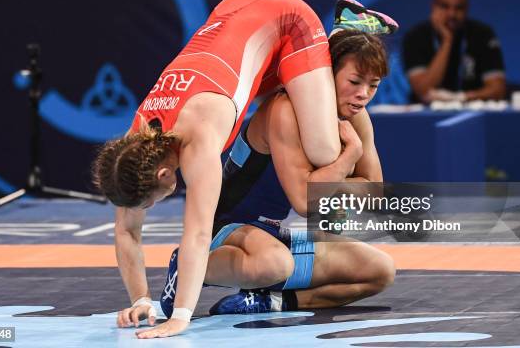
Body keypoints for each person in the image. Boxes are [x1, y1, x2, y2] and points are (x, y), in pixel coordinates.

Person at [92, 0, 397, 338]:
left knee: (326, 150)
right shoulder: (137, 141)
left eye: (149, 203)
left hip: (285, 20)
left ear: (163, 175)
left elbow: (197, 234)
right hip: (233, 15)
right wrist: (141, 300)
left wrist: (180, 316)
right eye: (355, 82)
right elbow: (125, 229)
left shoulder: (199, 139)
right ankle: (271, 299)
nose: (362, 93)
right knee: (322, 181)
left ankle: (340, 35)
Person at [158, 26, 395, 320]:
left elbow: (374, 193)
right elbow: (304, 200)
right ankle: (186, 268)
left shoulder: (355, 116)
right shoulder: (285, 109)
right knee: (275, 264)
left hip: (269, 234)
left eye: (373, 85)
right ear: (327, 77)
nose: (363, 95)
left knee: (380, 271)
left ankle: (271, 301)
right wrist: (350, 157)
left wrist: (333, 182)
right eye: (355, 81)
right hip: (224, 228)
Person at [403, 0, 506, 103]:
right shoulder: (415, 36)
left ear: (467, 9)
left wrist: (460, 98)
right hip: (425, 115)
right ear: (433, 6)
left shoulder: (483, 34)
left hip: (472, 112)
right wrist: (447, 41)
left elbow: (498, 89)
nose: (452, 14)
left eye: (458, 8)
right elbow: (423, 90)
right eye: (445, 6)